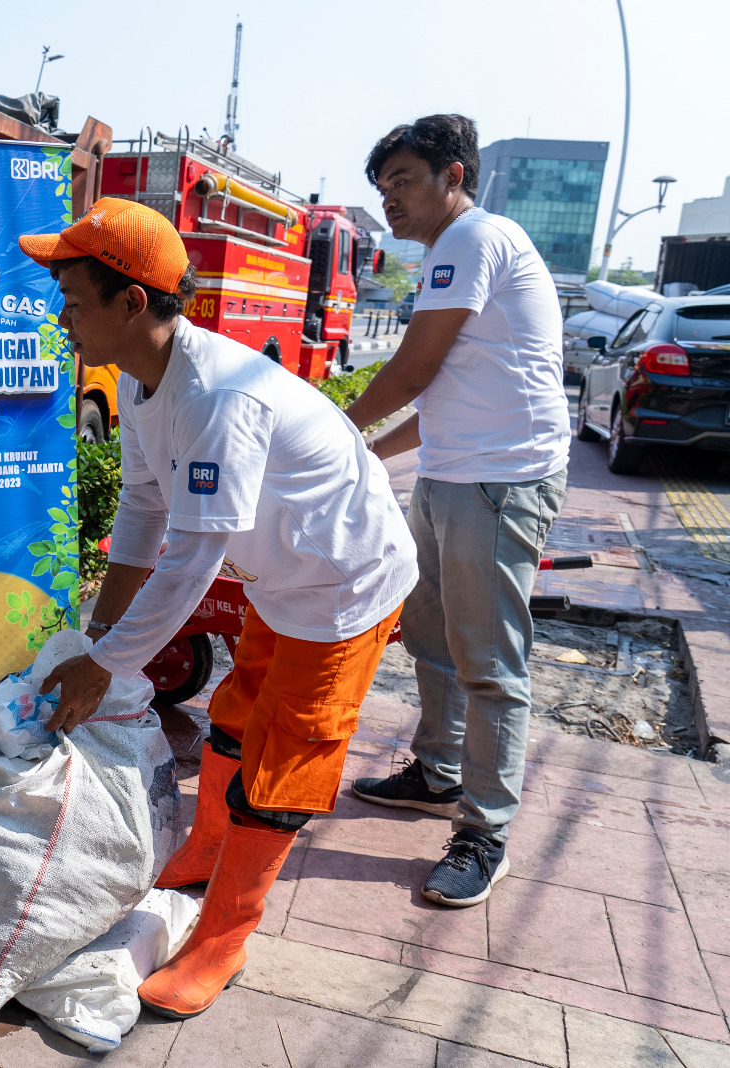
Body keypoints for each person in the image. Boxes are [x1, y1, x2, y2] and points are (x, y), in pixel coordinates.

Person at [24, 197, 418, 1020]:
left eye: (73, 300)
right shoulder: (140, 385)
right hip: (283, 576)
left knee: (286, 760)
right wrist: (98, 635)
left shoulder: (219, 398)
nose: (61, 319)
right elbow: (142, 510)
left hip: (344, 586)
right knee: (237, 716)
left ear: (132, 302)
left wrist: (106, 667)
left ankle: (225, 936)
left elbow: (193, 560)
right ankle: (207, 850)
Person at [345, 115, 569, 908]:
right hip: (450, 475)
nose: (391, 200)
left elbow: (412, 368)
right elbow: (437, 394)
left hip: (501, 481)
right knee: (430, 639)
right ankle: (437, 776)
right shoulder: (451, 253)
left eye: (403, 181)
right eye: (382, 188)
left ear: (454, 176)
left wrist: (334, 428)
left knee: (490, 663)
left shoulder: (476, 239)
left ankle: (486, 832)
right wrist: (368, 450)